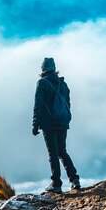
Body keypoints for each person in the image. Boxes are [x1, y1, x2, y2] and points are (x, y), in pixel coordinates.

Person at [32, 57, 80, 193]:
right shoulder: (63, 84)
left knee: (53, 154)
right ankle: (74, 179)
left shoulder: (42, 83)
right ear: (54, 69)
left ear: (43, 69)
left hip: (48, 123)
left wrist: (35, 124)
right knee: (62, 152)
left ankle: (56, 184)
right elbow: (68, 104)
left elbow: (38, 105)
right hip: (63, 121)